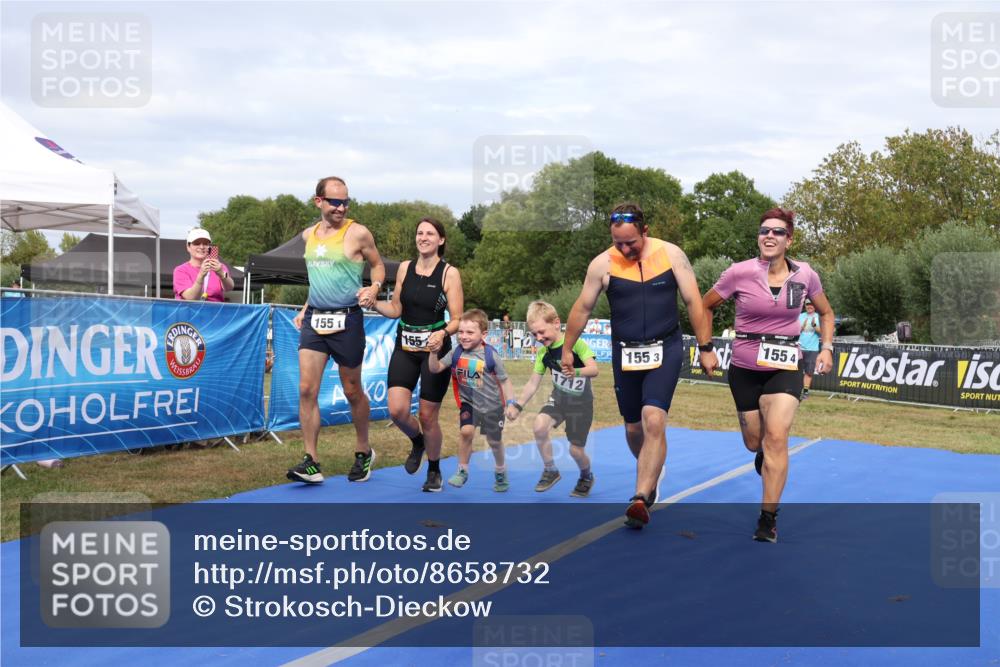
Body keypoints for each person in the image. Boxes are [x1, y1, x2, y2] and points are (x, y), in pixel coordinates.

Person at [561, 203, 717, 528]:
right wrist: (566, 349)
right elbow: (582, 308)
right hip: (626, 353)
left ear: (645, 231)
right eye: (618, 242)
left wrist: (705, 347)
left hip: (666, 347)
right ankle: (652, 470)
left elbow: (694, 302)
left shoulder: (671, 255)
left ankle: (640, 497)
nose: (625, 248)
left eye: (631, 242)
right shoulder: (602, 264)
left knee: (654, 419)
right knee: (633, 428)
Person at [702, 207, 834, 543]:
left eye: (777, 232)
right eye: (764, 231)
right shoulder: (738, 272)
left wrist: (826, 347)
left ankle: (768, 518)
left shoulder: (806, 275)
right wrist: (706, 347)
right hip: (745, 368)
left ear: (789, 239)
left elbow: (827, 312)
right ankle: (763, 454)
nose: (769, 236)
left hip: (786, 365)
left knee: (777, 436)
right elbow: (704, 305)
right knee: (754, 443)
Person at [287, 176, 385, 485]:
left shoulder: (358, 233)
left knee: (352, 390)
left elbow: (378, 265)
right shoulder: (308, 235)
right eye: (335, 202)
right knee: (306, 389)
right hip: (316, 319)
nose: (341, 207)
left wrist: (375, 287)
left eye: (346, 202)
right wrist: (306, 307)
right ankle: (311, 461)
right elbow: (319, 279)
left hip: (348, 319)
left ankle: (363, 451)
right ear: (319, 202)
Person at [373, 217, 464, 493]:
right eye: (420, 233)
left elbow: (458, 318)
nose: (423, 237)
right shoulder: (404, 268)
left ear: (441, 240)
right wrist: (373, 303)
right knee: (398, 411)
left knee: (427, 415)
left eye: (430, 233)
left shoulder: (449, 273)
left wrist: (444, 333)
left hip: (435, 350)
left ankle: (434, 470)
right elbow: (396, 309)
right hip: (406, 345)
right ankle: (418, 442)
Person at [506, 301, 599, 497]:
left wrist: (576, 372)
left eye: (541, 332)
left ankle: (586, 475)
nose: (539, 338)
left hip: (580, 405)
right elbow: (533, 383)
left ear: (556, 323)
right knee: (539, 426)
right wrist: (518, 405)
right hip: (558, 399)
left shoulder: (576, 344)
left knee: (575, 451)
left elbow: (594, 370)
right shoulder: (543, 353)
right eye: (534, 334)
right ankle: (550, 470)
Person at [427, 309, 517, 492]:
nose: (463, 336)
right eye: (460, 332)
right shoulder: (456, 353)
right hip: (469, 403)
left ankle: (500, 470)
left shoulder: (491, 356)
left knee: (494, 441)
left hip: (493, 406)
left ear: (483, 334)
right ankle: (462, 471)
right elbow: (435, 369)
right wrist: (433, 353)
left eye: (470, 332)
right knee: (466, 432)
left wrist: (510, 403)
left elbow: (505, 381)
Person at [173, 228, 235, 302]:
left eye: (205, 243)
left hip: (215, 312)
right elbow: (190, 298)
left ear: (209, 247)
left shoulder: (219, 266)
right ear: (188, 247)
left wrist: (221, 273)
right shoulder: (181, 270)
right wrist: (201, 276)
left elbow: (229, 288)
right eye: (196, 243)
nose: (201, 247)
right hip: (190, 312)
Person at [798, 300, 821, 399]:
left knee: (809, 372)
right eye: (807, 304)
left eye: (811, 304)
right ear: (805, 305)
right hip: (799, 347)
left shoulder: (819, 317)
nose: (809, 306)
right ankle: (795, 391)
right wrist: (801, 327)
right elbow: (794, 330)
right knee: (795, 371)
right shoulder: (800, 316)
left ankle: (805, 392)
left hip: (812, 349)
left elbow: (822, 332)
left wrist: (814, 325)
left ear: (815, 306)